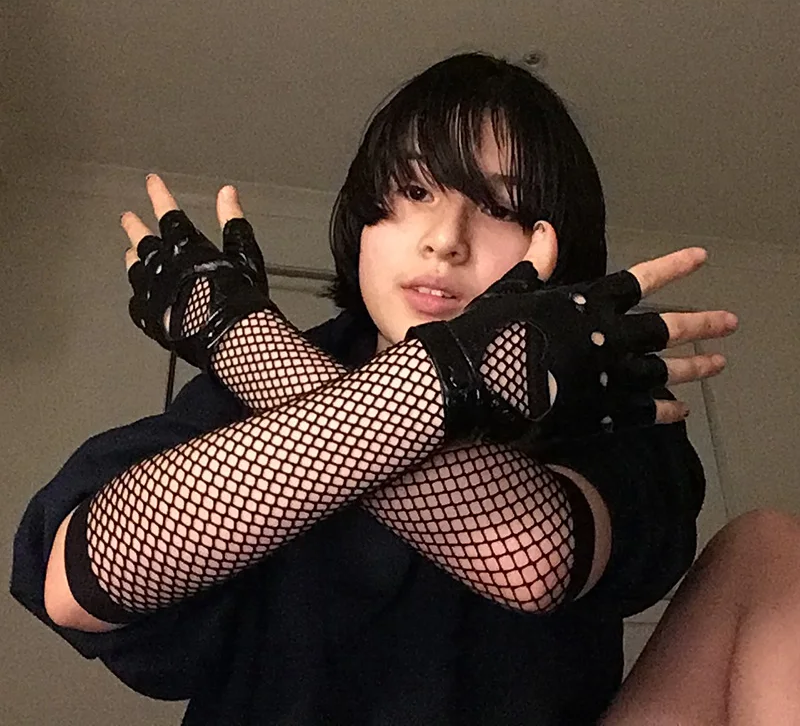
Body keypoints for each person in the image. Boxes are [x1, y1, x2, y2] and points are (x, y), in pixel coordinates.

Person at [11, 51, 785, 725]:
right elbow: (77, 581)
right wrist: (446, 378)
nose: (445, 239)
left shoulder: (611, 399)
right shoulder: (242, 396)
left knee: (768, 552)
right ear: (363, 221)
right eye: (413, 190)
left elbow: (533, 560)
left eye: (503, 206)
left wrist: (243, 342)